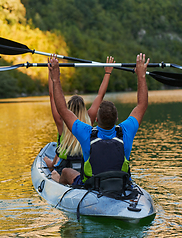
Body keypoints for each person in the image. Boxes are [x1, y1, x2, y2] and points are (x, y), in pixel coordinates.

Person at [48, 53, 149, 186]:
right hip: (120, 183)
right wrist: (141, 75)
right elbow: (142, 105)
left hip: (93, 185)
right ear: (117, 119)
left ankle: (59, 184)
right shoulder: (125, 131)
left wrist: (55, 78)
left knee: (67, 171)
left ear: (96, 119)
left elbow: (62, 109)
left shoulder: (86, 133)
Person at [44, 56, 115, 182]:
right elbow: (100, 95)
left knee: (52, 167)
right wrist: (107, 73)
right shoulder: (90, 119)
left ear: (68, 109)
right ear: (83, 109)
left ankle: (52, 167)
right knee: (55, 159)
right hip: (85, 164)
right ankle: (53, 164)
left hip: (65, 167)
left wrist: (52, 74)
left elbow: (52, 96)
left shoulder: (62, 121)